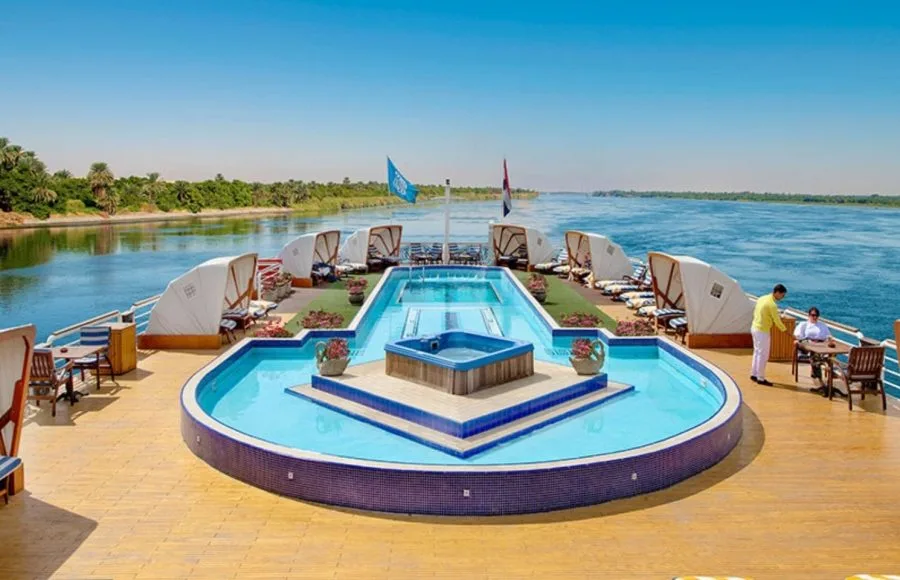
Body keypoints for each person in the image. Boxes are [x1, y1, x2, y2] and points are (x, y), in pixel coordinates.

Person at [751, 283, 787, 386]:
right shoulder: (772, 305)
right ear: (777, 293)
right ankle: (760, 378)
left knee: (757, 352)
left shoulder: (762, 298)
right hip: (762, 331)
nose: (782, 297)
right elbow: (777, 321)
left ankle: (754, 374)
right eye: (782, 295)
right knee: (763, 355)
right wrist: (786, 332)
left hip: (754, 327)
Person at [794, 307, 831, 391]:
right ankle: (820, 380)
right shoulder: (804, 325)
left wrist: (829, 340)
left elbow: (828, 336)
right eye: (813, 315)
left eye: (816, 315)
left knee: (827, 356)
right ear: (809, 315)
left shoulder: (822, 325)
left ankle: (820, 375)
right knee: (815, 355)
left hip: (820, 345)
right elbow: (798, 336)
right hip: (807, 344)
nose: (814, 317)